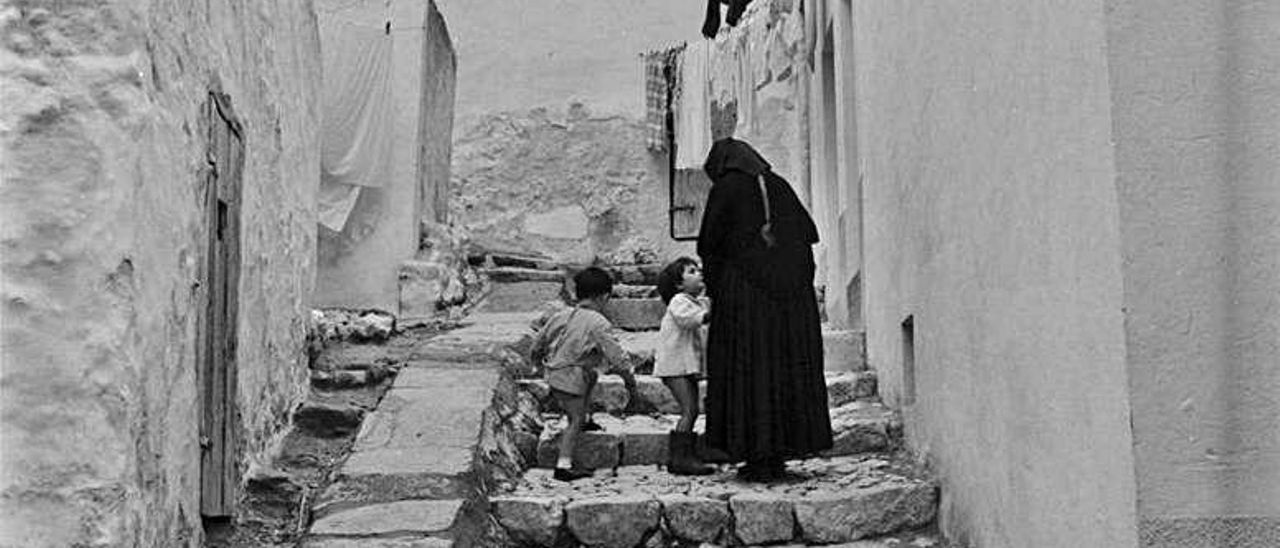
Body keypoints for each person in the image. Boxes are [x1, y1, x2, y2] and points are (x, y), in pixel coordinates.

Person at [697, 137, 833, 481]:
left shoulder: (726, 190)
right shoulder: (780, 186)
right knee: (786, 372)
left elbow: (710, 249)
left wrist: (719, 293)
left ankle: (753, 453)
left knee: (748, 373)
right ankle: (782, 452)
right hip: (790, 305)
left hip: (745, 303)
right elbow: (804, 244)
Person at [529, 267, 629, 482]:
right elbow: (615, 353)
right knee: (574, 420)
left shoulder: (561, 315)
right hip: (569, 377)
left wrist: (536, 363)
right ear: (604, 297)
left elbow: (539, 342)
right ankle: (563, 465)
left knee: (592, 375)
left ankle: (587, 417)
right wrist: (627, 374)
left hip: (557, 372)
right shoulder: (598, 322)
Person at [653, 257, 716, 476]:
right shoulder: (679, 301)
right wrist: (711, 315)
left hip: (684, 366)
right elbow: (689, 319)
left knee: (692, 410)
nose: (699, 273)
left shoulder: (695, 301)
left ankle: (685, 454)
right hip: (674, 366)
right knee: (689, 410)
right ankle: (680, 458)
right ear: (679, 284)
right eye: (692, 271)